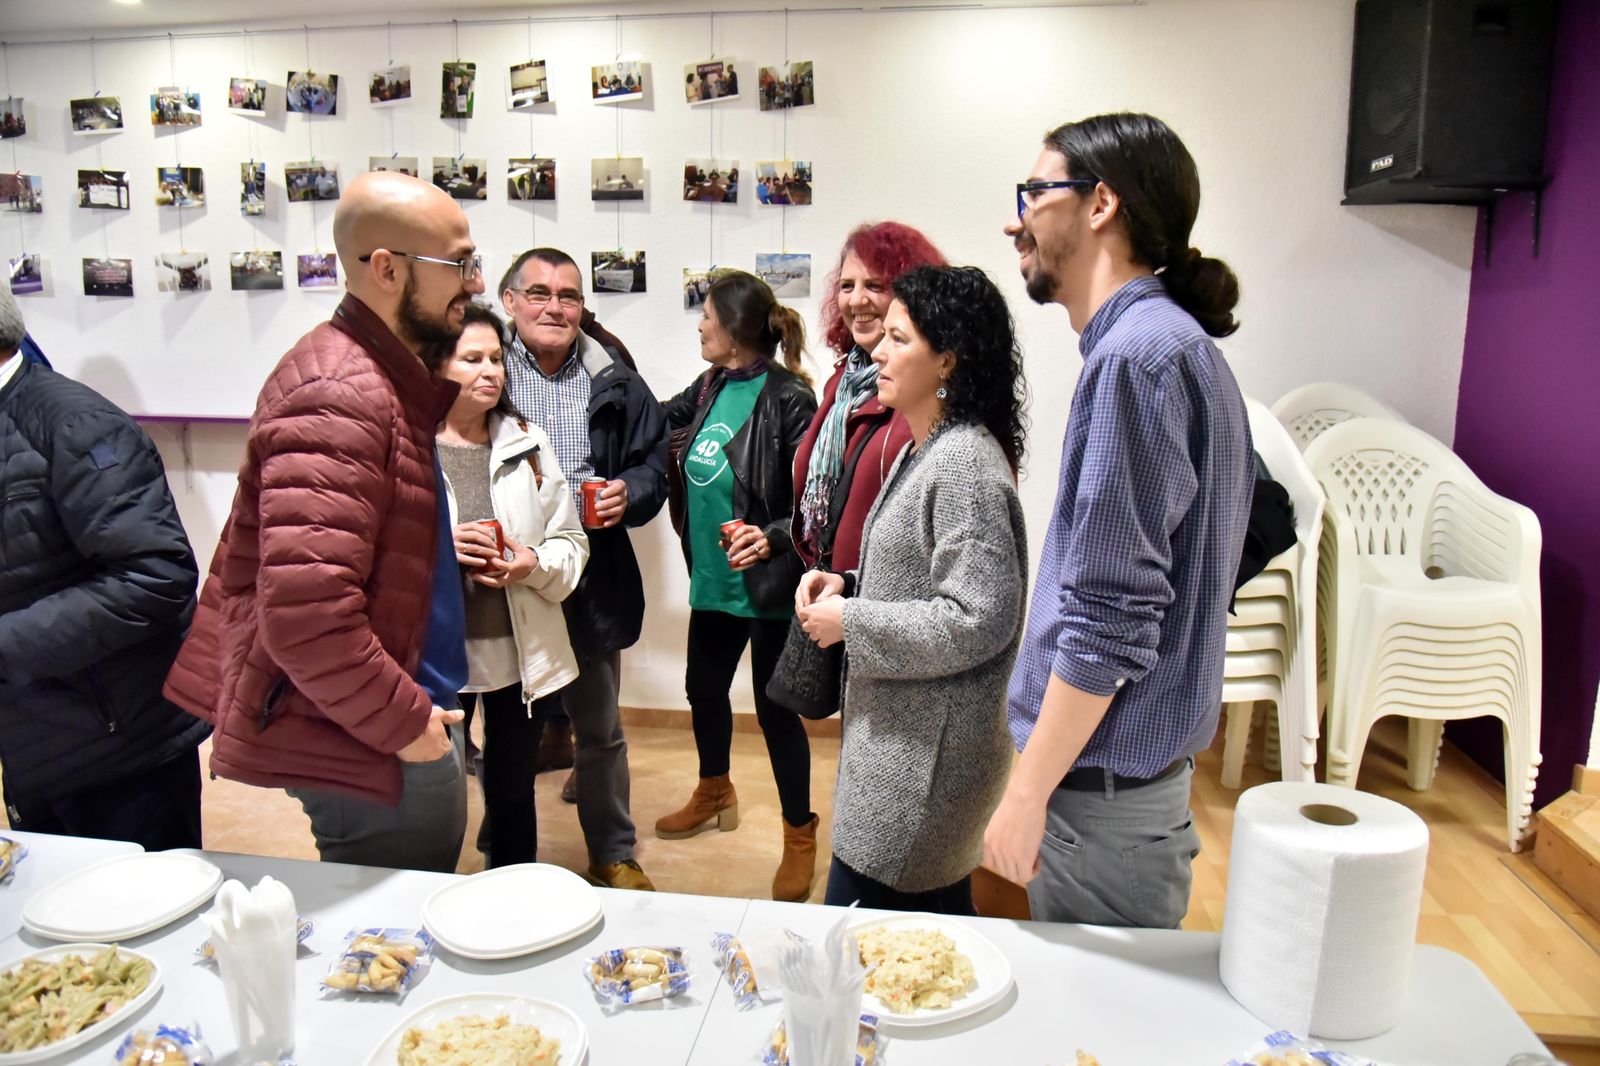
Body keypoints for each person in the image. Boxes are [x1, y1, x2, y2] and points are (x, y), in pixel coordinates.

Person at [165, 171, 484, 873]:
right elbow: (308, 618)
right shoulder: (339, 392)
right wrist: (408, 726)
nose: (477, 282)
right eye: (460, 264)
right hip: (368, 733)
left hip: (387, 708)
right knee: (388, 921)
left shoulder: (376, 377)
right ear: (387, 269)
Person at [983, 113, 1253, 928]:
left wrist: (1025, 795)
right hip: (1122, 794)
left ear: (1100, 204)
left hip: (1101, 801)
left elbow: (1110, 616)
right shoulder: (1171, 346)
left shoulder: (1136, 359)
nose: (1016, 221)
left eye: (1034, 194)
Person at [796, 265, 1028, 914]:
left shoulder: (963, 464)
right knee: (918, 930)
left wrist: (851, 621)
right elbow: (922, 578)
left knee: (872, 938)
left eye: (899, 339)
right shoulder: (923, 448)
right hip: (900, 748)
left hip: (925, 765)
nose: (877, 350)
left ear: (947, 360)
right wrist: (847, 583)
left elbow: (978, 617)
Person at [0, 279, 209, 851]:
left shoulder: (73, 424)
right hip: (35, 742)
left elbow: (156, 577)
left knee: (144, 905)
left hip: (121, 754)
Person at [497, 247, 668, 890]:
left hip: (589, 575)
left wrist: (633, 491)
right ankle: (505, 856)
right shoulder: (485, 370)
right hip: (506, 576)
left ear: (582, 308)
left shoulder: (612, 374)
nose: (554, 307)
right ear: (511, 301)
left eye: (568, 296)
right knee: (507, 730)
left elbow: (655, 461)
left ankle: (612, 852)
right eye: (538, 293)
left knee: (599, 730)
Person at [657, 270, 819, 902]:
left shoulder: (789, 398)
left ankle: (799, 833)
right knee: (703, 689)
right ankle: (715, 789)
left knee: (776, 713)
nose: (699, 325)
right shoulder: (710, 385)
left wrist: (772, 536)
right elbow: (650, 417)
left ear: (733, 328)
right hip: (712, 575)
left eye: (707, 316)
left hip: (767, 582)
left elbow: (814, 498)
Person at [430, 302, 589, 869]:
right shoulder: (408, 446)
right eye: (471, 359)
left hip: (519, 655)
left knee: (512, 793)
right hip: (436, 658)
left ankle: (514, 894)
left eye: (496, 359)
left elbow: (571, 543)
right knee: (436, 798)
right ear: (436, 366)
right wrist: (441, 548)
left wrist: (531, 564)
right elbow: (382, 551)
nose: (490, 371)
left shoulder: (529, 443)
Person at [791, 222, 946, 582]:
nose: (856, 300)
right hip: (835, 591)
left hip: (886, 599)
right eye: (847, 286)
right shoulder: (841, 382)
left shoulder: (929, 392)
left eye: (875, 286)